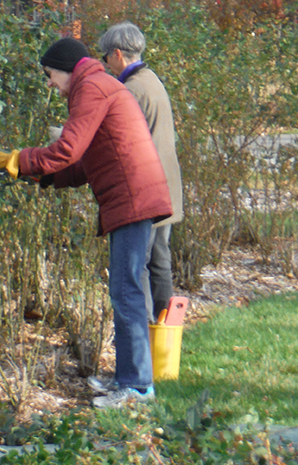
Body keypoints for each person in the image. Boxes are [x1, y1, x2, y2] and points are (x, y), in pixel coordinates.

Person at [0, 37, 172, 408]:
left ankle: (136, 388)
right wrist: (34, 175)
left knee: (126, 292)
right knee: (124, 291)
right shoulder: (98, 85)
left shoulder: (91, 88)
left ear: (67, 69)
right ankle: (128, 379)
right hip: (132, 197)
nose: (49, 84)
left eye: (50, 75)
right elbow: (82, 166)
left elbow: (67, 150)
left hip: (132, 199)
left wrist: (19, 159)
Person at [99, 21, 183, 324]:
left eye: (105, 56)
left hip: (148, 191)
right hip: (167, 187)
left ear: (118, 54)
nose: (104, 63)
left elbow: (113, 138)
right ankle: (167, 332)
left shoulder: (131, 89)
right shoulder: (152, 80)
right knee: (160, 261)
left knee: (139, 267)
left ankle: (146, 336)